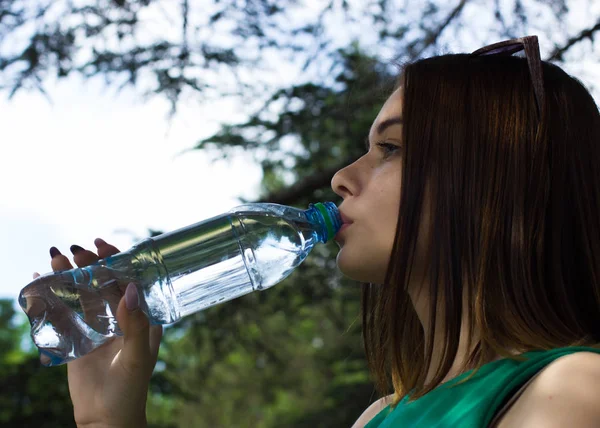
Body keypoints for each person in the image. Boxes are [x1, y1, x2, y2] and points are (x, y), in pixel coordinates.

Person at [37, 35, 600, 427]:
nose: (341, 179)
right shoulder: (381, 415)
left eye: (392, 148)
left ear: (493, 179)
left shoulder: (573, 388)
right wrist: (108, 419)